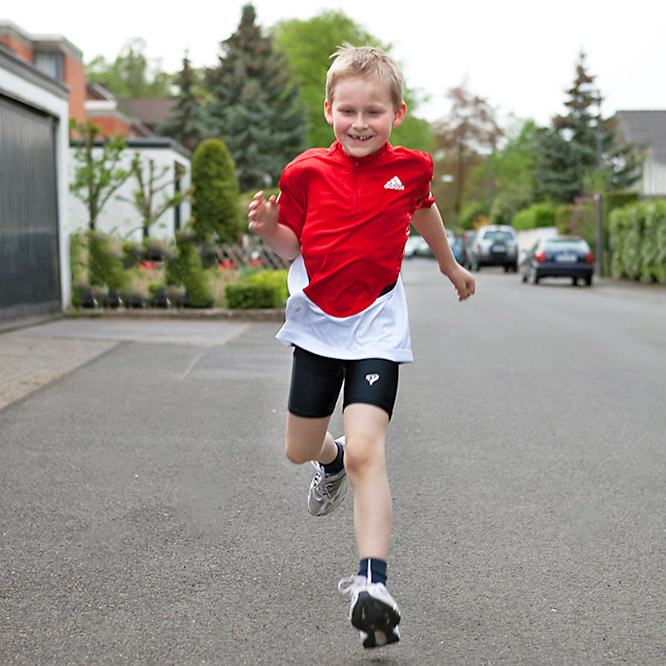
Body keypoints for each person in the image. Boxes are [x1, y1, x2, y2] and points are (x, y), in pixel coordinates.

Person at [248, 44, 475, 649]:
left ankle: (374, 584)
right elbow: (293, 248)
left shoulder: (413, 168)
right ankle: (328, 458)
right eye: (347, 110)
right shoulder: (303, 173)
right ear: (329, 111)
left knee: (368, 454)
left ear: (396, 113)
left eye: (374, 111)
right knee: (301, 450)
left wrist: (452, 268)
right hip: (318, 324)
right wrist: (270, 229)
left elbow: (422, 212)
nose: (360, 122)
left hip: (377, 323)